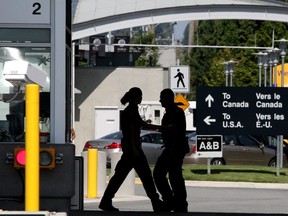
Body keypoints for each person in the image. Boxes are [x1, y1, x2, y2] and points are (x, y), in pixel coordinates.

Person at [99, 87, 165, 212]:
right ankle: (156, 203)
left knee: (120, 176)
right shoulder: (131, 111)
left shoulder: (131, 110)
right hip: (133, 151)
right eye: (140, 96)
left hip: (130, 150)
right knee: (145, 177)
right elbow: (130, 131)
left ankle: (106, 200)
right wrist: (135, 148)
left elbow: (143, 125)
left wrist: (162, 127)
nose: (141, 98)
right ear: (136, 97)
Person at [153, 88, 189, 212]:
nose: (160, 100)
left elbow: (176, 132)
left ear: (168, 98)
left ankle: (175, 202)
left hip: (175, 149)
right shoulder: (170, 112)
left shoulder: (175, 112)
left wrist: (172, 149)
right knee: (171, 175)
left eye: (162, 98)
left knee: (170, 175)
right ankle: (174, 202)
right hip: (172, 148)